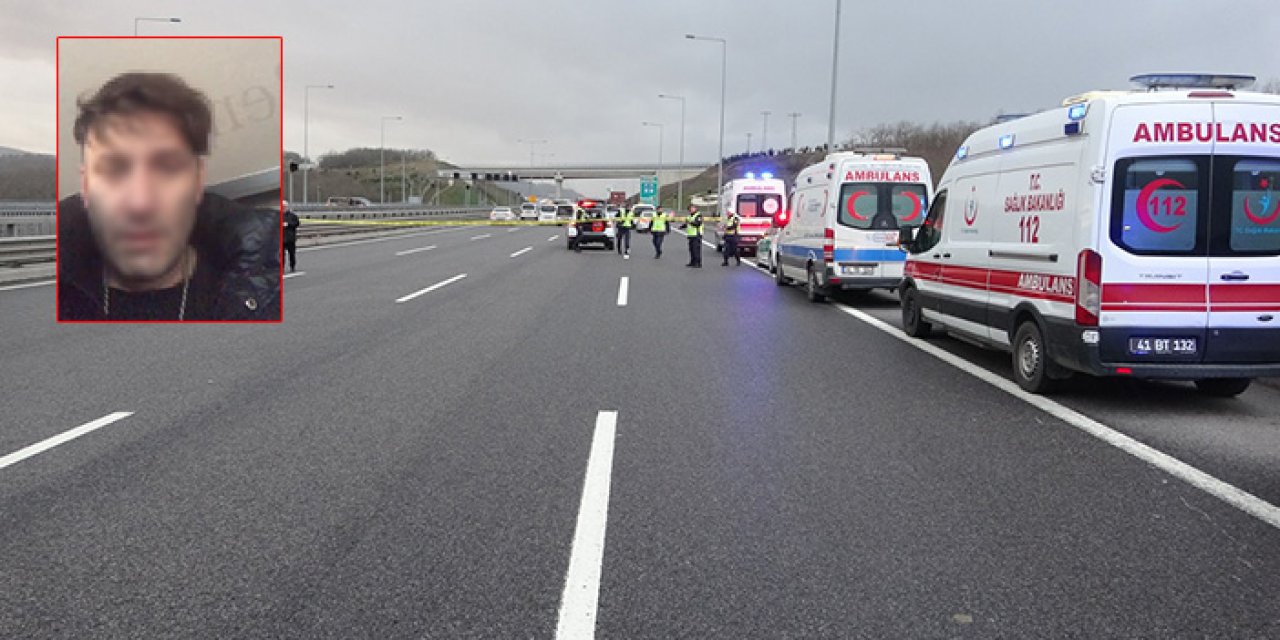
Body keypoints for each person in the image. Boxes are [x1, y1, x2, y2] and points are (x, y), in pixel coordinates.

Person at [58, 72, 280, 321]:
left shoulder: (263, 294)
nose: (140, 204)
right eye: (114, 170)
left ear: (197, 181)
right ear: (86, 187)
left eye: (167, 168)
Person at [282, 200, 300, 272]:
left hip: (290, 238)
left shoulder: (293, 216)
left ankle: (292, 266)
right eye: (282, 207)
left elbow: (297, 223)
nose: (283, 208)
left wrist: (288, 224)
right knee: (281, 255)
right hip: (281, 238)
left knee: (291, 254)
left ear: (287, 207)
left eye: (284, 207)